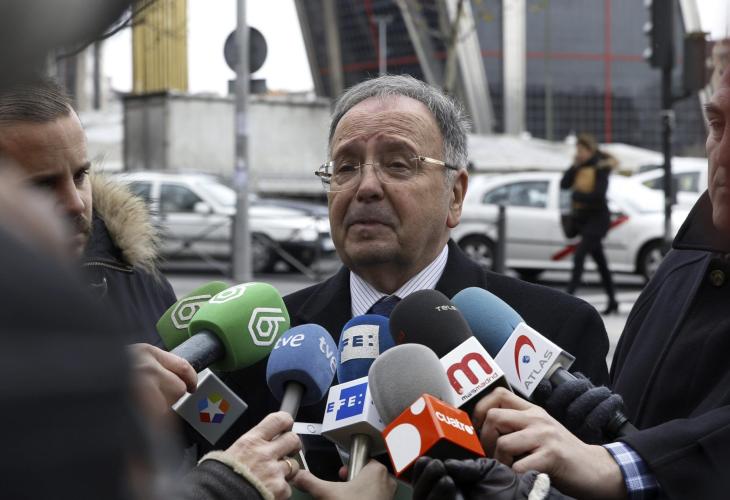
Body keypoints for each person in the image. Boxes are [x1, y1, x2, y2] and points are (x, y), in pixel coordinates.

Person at [219, 75, 610, 453]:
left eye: (397, 164)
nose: (365, 187)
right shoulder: (267, 343)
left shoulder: (557, 330)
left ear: (455, 196)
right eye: (346, 167)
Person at [472, 67, 730, 500]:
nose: (722, 156)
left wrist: (618, 466)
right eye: (718, 125)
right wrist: (573, 449)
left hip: (594, 227)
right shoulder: (681, 266)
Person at [0, 79, 175, 344]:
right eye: (42, 185)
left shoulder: (136, 277)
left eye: (80, 175)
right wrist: (110, 369)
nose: (76, 203)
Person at [560, 133, 618, 314]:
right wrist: (574, 166)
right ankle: (613, 300)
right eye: (577, 150)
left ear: (589, 150)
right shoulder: (579, 167)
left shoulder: (600, 167)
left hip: (598, 220)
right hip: (584, 221)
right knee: (601, 262)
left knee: (579, 256)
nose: (579, 154)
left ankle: (567, 300)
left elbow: (599, 195)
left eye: (581, 150)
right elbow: (564, 184)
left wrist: (578, 196)